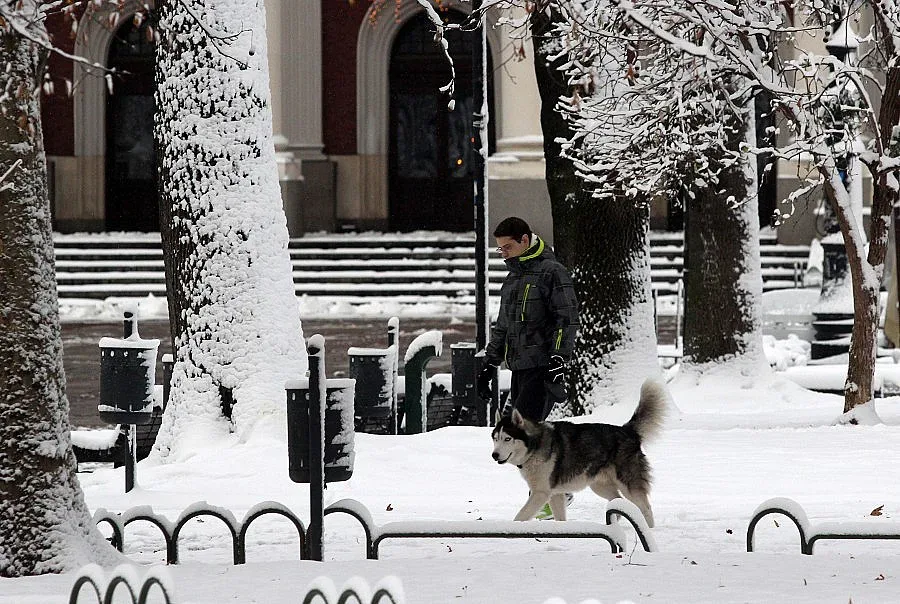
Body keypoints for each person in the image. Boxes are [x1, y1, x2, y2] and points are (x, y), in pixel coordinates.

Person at [477, 216, 579, 422]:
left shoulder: (552, 271)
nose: (503, 254)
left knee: (524, 434)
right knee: (524, 436)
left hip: (541, 368)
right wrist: (489, 364)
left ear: (524, 240)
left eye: (507, 247)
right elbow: (504, 325)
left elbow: (566, 318)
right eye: (500, 249)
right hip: (518, 368)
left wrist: (558, 357)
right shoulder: (513, 277)